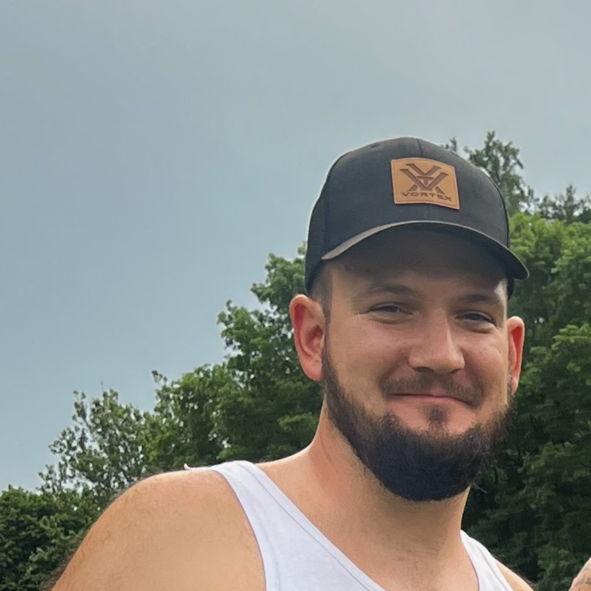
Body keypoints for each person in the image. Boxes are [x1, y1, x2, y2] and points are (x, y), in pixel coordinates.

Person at [53, 137, 535, 590]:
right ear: (313, 337)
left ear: (512, 354)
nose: (441, 355)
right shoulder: (178, 541)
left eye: (475, 316)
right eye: (391, 307)